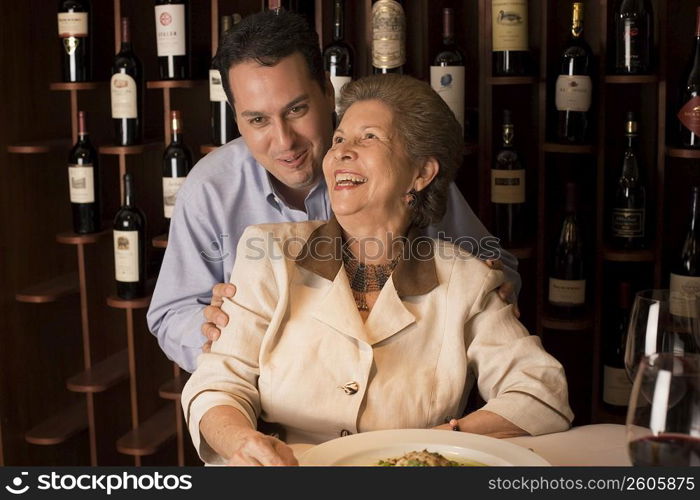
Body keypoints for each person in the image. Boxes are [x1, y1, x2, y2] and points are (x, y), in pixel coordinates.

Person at [181, 74, 573, 466]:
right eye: (338, 139)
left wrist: (442, 441)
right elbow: (218, 385)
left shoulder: (468, 280)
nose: (341, 153)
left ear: (421, 173)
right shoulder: (266, 252)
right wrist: (242, 440)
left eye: (368, 137)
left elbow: (541, 392)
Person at [147, 9, 521, 374]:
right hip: (264, 407)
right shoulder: (209, 188)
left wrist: (491, 289)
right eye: (257, 119)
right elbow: (171, 313)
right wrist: (212, 333)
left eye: (296, 110)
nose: (284, 141)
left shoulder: (396, 167)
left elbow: (496, 267)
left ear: (327, 91)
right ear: (236, 117)